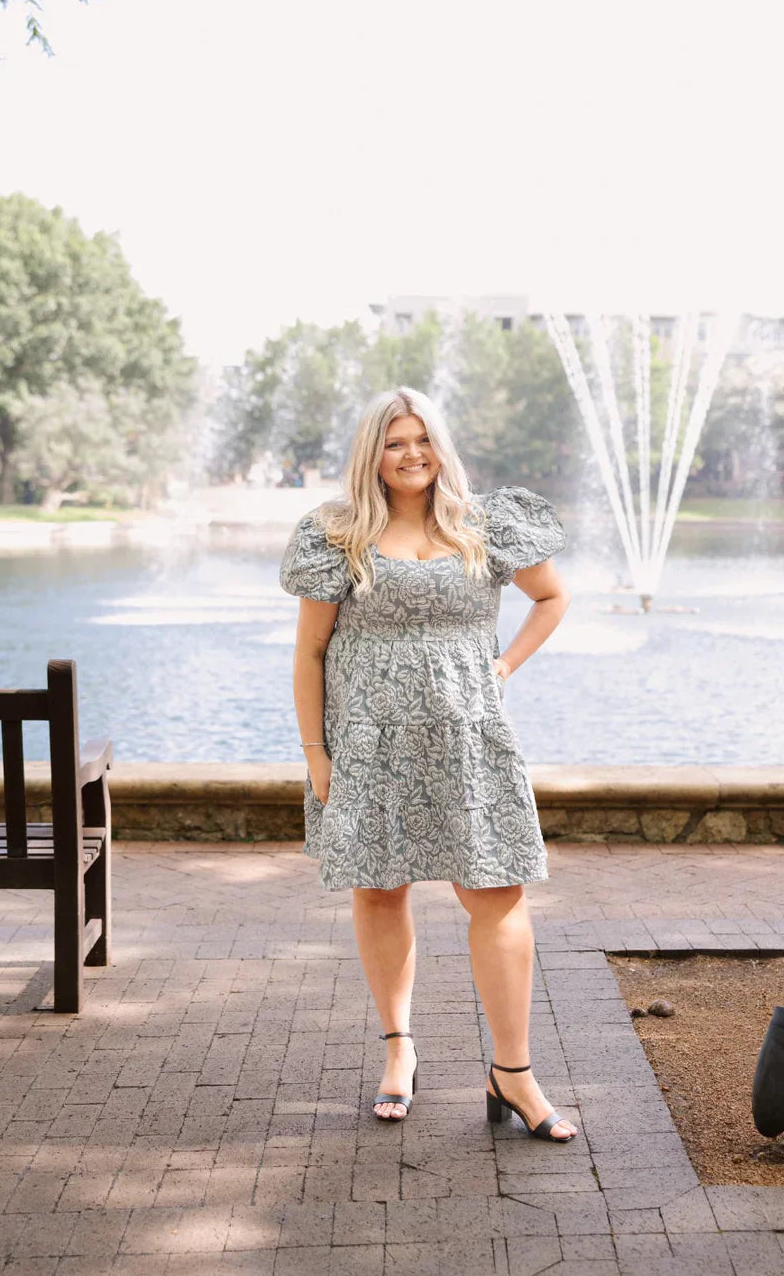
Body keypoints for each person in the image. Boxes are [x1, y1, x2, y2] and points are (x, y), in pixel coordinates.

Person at [279, 386, 576, 1142]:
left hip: (468, 740)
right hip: (368, 741)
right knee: (381, 891)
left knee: (498, 894)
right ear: (371, 454)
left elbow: (551, 598)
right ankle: (399, 1049)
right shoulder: (336, 534)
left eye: (422, 439)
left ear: (440, 446)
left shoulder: (488, 523)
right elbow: (310, 653)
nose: (411, 454)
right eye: (394, 442)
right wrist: (316, 754)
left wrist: (501, 667)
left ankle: (513, 1072)